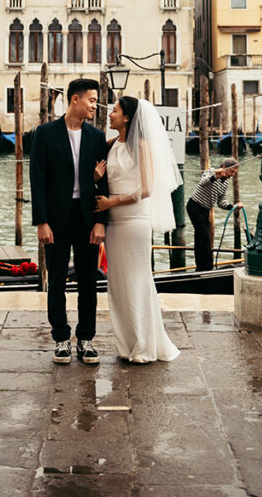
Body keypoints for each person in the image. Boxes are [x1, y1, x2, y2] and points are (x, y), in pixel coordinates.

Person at [94, 97, 181, 364]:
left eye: (115, 110)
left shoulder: (141, 145)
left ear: (128, 117)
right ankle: (127, 343)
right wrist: (96, 179)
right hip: (114, 223)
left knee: (137, 281)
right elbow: (103, 179)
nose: (110, 114)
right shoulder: (111, 145)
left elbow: (146, 189)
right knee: (118, 284)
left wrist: (112, 201)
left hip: (134, 220)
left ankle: (144, 345)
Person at [29, 78, 109, 365]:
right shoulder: (45, 133)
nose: (94, 106)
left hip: (87, 218)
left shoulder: (97, 137)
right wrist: (41, 221)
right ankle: (61, 338)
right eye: (91, 100)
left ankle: (86, 338)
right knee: (57, 281)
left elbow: (105, 184)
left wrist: (101, 222)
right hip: (56, 219)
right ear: (75, 99)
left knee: (89, 280)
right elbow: (36, 181)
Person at [186, 158, 240, 272]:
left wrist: (233, 207)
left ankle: (201, 267)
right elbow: (202, 182)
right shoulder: (211, 171)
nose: (233, 175)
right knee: (204, 236)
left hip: (205, 210)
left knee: (201, 237)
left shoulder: (225, 183)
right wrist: (216, 176)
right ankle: (205, 267)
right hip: (194, 206)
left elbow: (221, 202)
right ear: (225, 168)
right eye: (232, 172)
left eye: (234, 172)